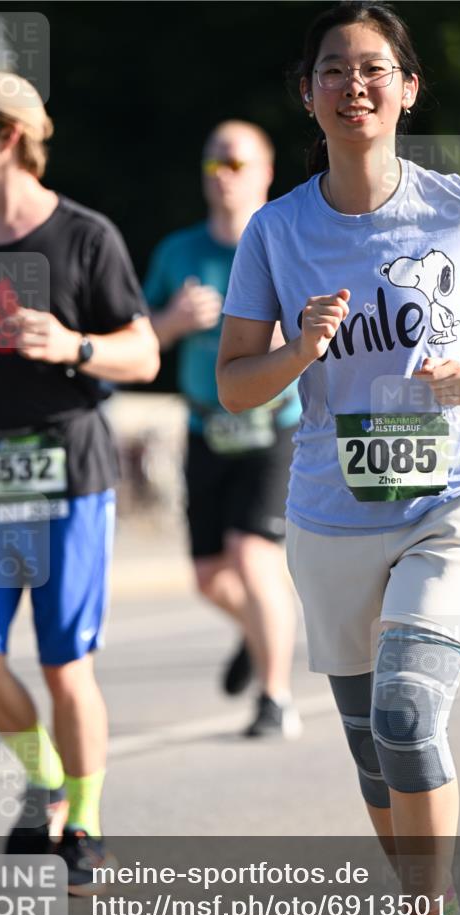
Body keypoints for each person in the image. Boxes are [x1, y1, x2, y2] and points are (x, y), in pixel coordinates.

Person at [217, 3, 460, 915]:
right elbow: (236, 381)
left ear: (407, 89)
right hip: (330, 515)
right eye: (334, 69)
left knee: (409, 712)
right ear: (308, 94)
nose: (353, 84)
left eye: (374, 69)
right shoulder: (277, 231)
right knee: (376, 751)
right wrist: (299, 349)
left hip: (451, 499)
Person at [0, 72, 160, 894]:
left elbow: (144, 354)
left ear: (7, 134)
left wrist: (75, 346)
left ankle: (81, 821)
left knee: (62, 666)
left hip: (68, 468)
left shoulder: (86, 236)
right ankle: (45, 773)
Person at [144, 120, 302, 738]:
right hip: (205, 425)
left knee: (252, 554)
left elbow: (328, 333)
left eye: (236, 163)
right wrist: (174, 319)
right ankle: (259, 633)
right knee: (210, 576)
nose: (223, 175)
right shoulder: (178, 253)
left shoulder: (287, 245)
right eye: (213, 163)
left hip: (273, 423)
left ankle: (275, 696)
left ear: (264, 174)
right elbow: (138, 339)